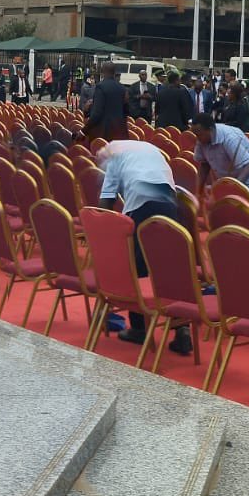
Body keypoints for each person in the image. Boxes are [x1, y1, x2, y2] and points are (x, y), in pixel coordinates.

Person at [96, 140, 192, 354]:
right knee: (169, 267)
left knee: (137, 266)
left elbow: (106, 203)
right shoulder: (150, 149)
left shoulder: (114, 157)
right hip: (167, 200)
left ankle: (139, 328)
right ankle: (182, 328)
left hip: (140, 203)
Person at [192, 113, 249, 195]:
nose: (197, 139)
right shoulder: (202, 140)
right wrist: (198, 192)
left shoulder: (230, 138)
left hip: (248, 178)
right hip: (228, 178)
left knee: (235, 205)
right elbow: (204, 165)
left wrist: (233, 188)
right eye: (195, 135)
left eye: (199, 135)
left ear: (211, 130)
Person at [82, 62, 128, 142]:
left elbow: (97, 113)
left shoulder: (101, 87)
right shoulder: (122, 88)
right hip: (120, 132)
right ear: (114, 72)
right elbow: (126, 111)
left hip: (103, 132)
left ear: (102, 71)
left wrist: (83, 131)